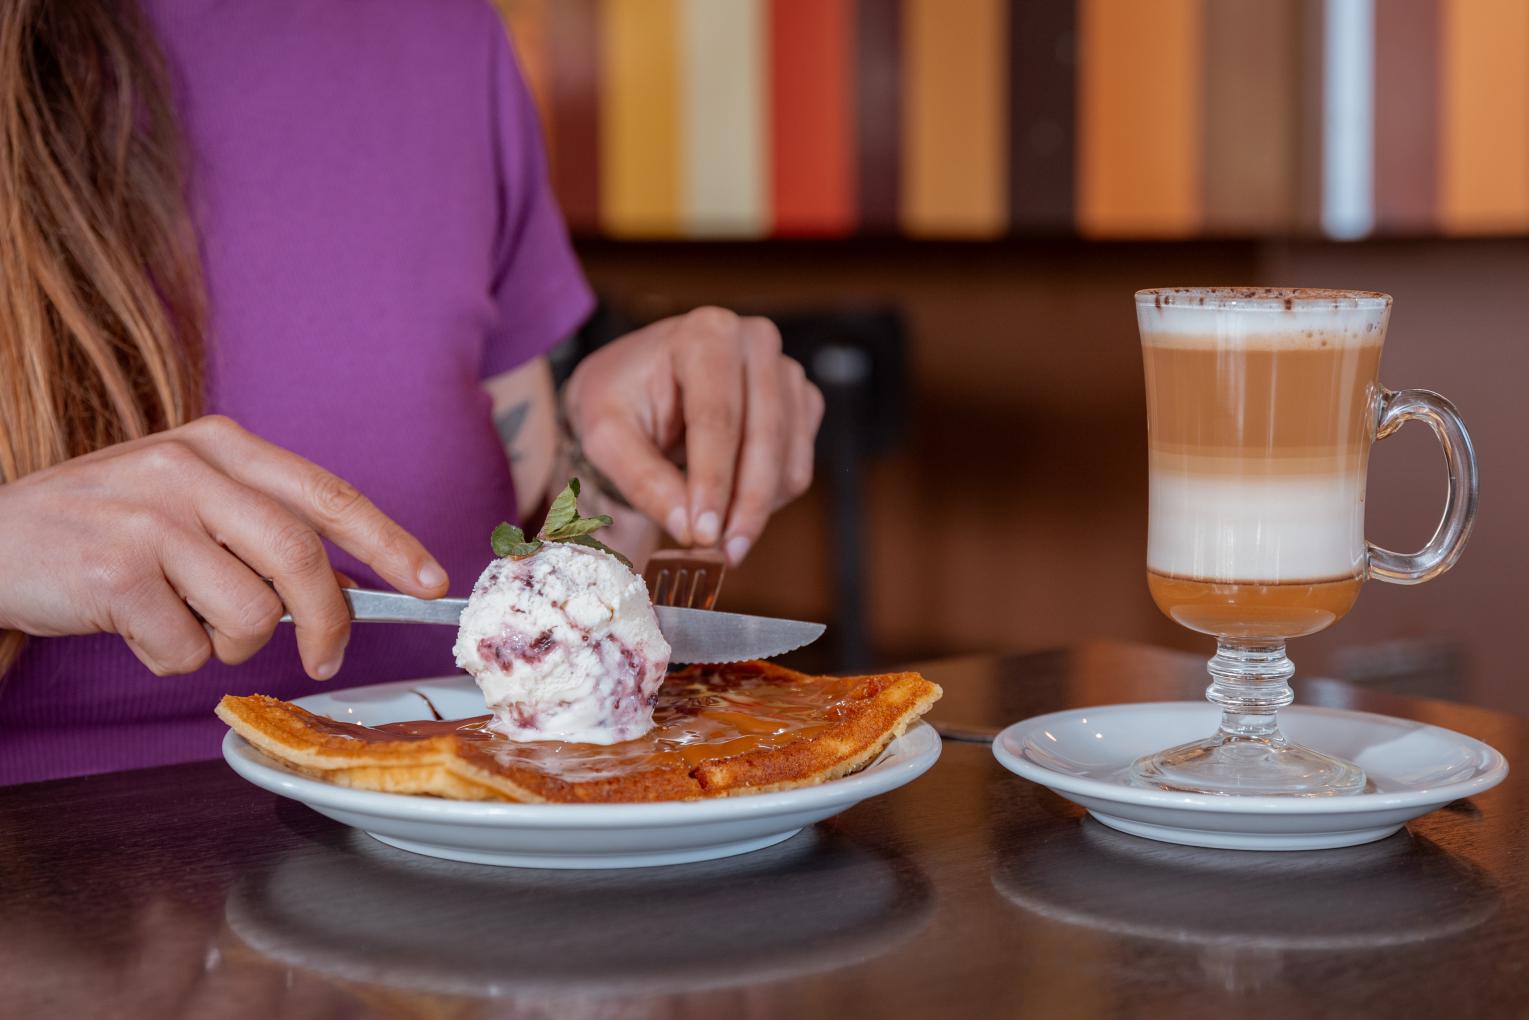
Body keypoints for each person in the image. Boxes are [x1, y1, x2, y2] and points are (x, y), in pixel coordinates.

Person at [0, 0, 823, 783]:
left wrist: (629, 466)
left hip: (476, 833)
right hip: (63, 878)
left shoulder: (445, 30)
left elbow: (533, 552)